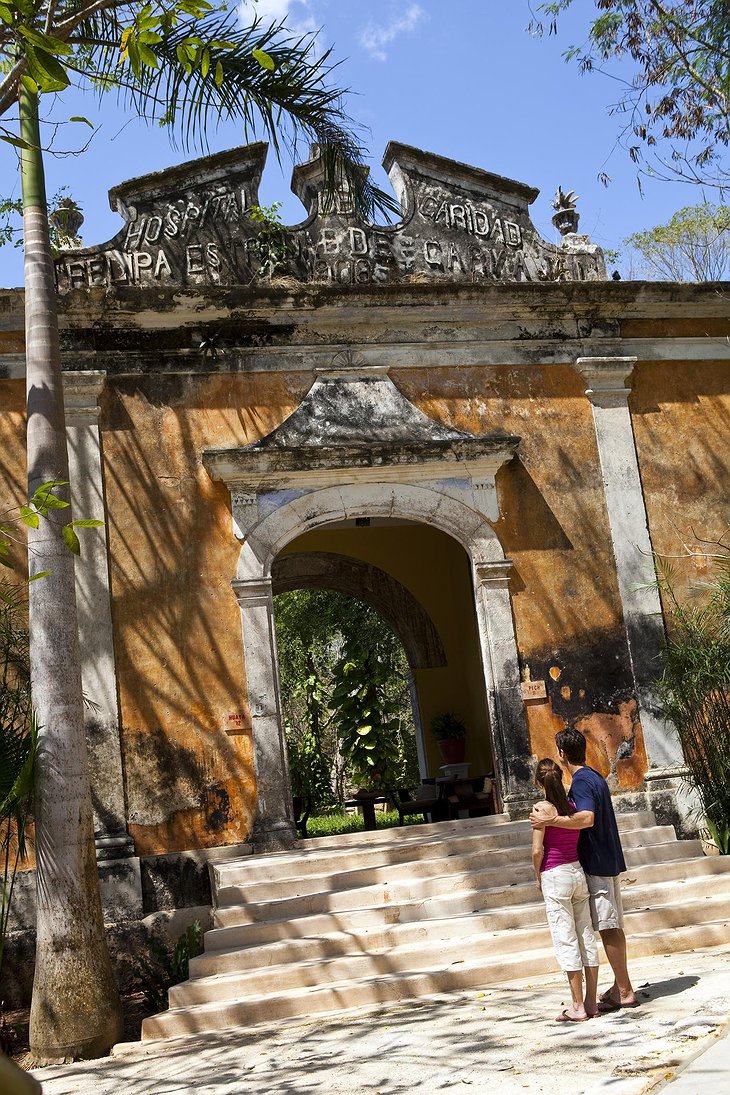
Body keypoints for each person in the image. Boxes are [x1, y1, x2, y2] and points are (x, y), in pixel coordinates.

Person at [530, 727, 638, 1012]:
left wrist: (552, 820)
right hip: (609, 858)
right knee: (610, 925)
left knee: (608, 927)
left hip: (597, 862)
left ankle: (624, 990)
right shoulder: (596, 777)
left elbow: (587, 818)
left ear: (562, 754)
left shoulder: (580, 782)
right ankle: (619, 985)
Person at [532, 758, 600, 1023]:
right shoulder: (571, 807)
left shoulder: (541, 809)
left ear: (538, 782)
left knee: (566, 939)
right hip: (576, 872)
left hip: (555, 874)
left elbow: (538, 849)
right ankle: (591, 1002)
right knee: (586, 937)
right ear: (560, 778)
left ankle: (577, 1006)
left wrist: (536, 874)